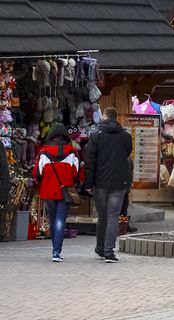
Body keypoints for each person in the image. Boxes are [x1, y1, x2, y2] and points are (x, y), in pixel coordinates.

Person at [84, 108, 132, 263]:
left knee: (102, 216)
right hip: (119, 182)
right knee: (113, 217)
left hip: (100, 182)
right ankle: (109, 251)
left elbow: (90, 161)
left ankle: (100, 248)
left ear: (104, 117)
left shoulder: (96, 135)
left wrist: (88, 183)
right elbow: (126, 154)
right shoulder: (125, 136)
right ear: (116, 118)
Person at [34, 124, 82, 263]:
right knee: (61, 221)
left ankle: (55, 249)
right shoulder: (72, 152)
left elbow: (37, 174)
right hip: (65, 190)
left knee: (53, 221)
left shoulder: (43, 152)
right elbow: (77, 174)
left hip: (48, 190)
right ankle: (56, 251)